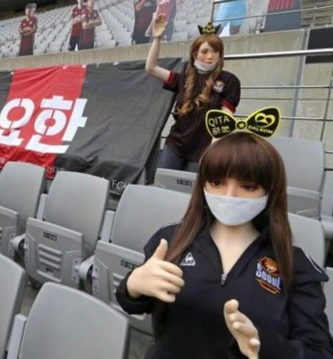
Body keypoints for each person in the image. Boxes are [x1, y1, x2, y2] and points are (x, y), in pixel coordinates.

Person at [115, 131, 333, 358]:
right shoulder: (171, 239)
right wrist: (132, 285)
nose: (229, 195)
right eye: (217, 183)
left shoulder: (295, 265)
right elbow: (134, 303)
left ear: (270, 190)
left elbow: (319, 351)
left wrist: (266, 347)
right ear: (203, 185)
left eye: (247, 186)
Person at [146, 17, 241, 171]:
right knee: (164, 186)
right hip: (175, 146)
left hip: (204, 150)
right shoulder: (184, 76)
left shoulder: (229, 81)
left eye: (216, 51)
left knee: (190, 192)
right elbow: (151, 68)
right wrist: (157, 38)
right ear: (195, 53)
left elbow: (224, 122)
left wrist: (213, 152)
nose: (210, 56)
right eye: (204, 51)